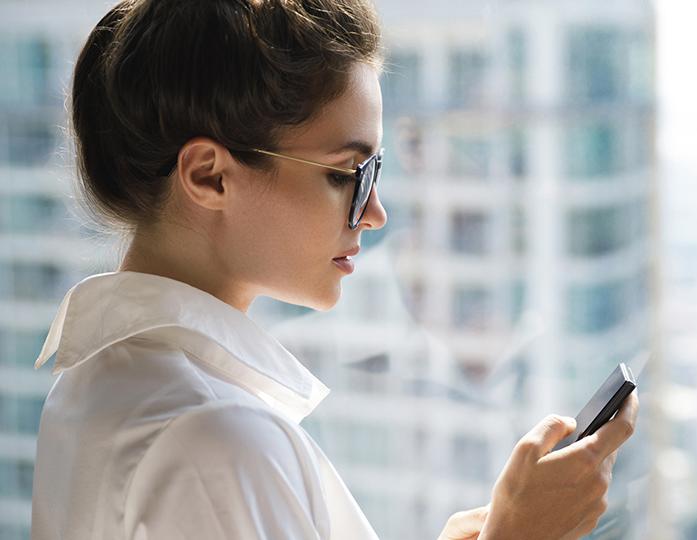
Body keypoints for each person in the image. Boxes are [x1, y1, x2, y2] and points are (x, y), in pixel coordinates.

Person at [30, 0, 640, 539]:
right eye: (347, 174)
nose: (374, 214)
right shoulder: (215, 439)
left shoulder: (94, 382)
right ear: (208, 175)